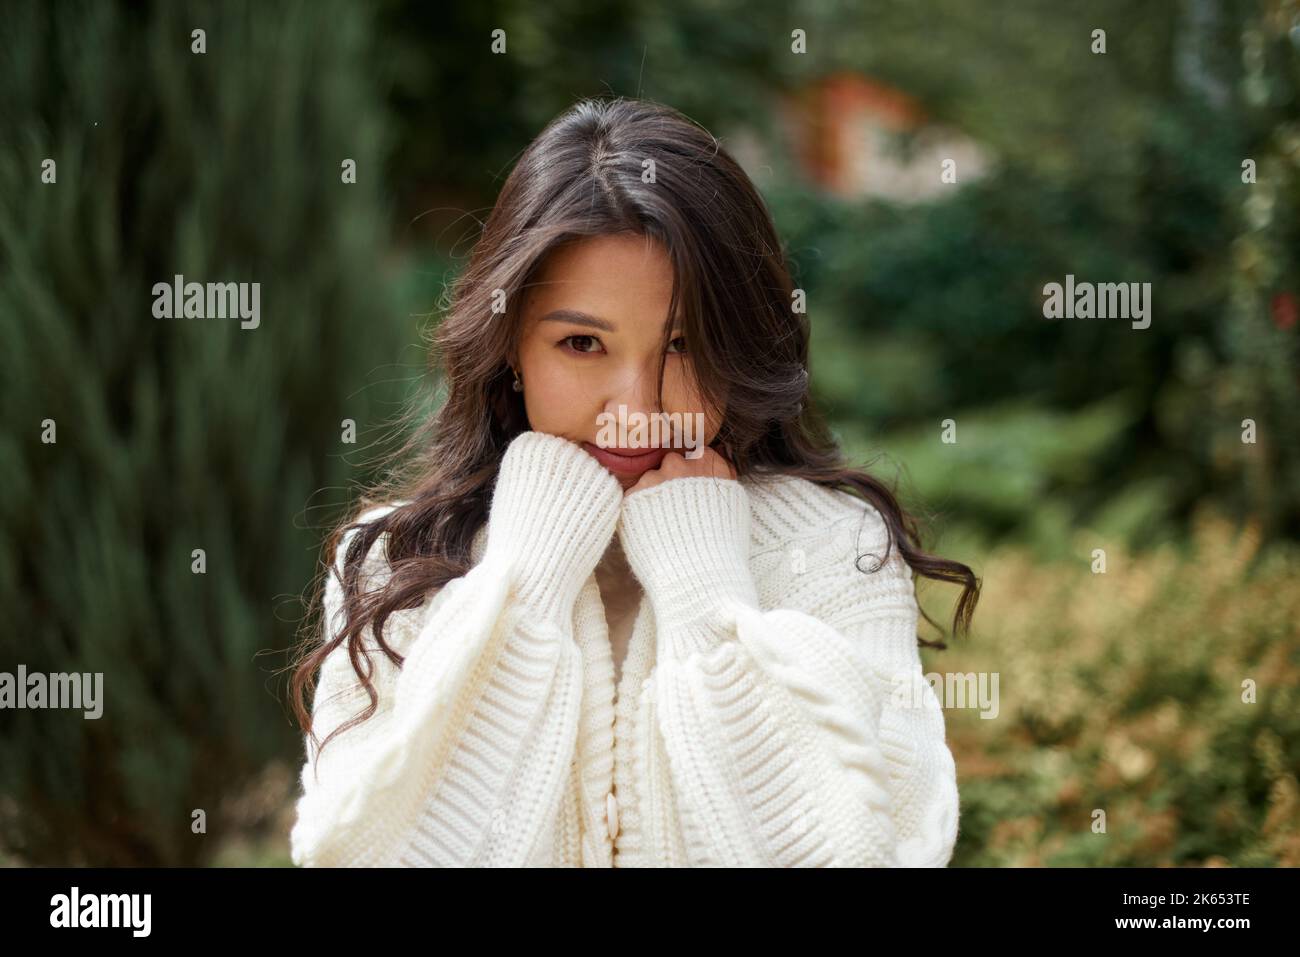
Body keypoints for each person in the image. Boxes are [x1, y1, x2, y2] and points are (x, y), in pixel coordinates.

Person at [287, 97, 980, 867]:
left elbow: (870, 856)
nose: (638, 409)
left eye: (683, 345)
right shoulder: (397, 563)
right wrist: (529, 576)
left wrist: (706, 587)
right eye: (582, 342)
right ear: (512, 343)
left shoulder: (835, 550)